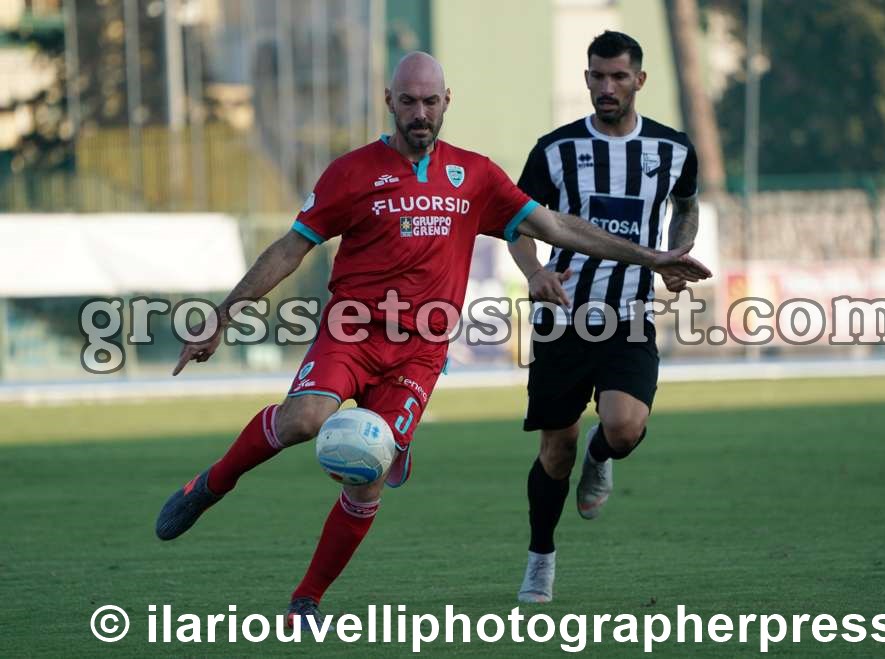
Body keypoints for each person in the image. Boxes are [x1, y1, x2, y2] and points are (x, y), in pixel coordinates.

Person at [154, 52, 712, 627]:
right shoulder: (351, 173)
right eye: (408, 102)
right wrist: (223, 315)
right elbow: (291, 248)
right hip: (353, 331)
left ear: (447, 102)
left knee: (366, 473)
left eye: (429, 102)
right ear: (389, 102)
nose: (419, 114)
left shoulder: (475, 175)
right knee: (303, 421)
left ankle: (307, 600)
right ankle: (212, 484)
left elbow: (557, 226)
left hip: (419, 353)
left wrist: (651, 257)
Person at [509, 31, 701, 603]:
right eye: (597, 76)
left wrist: (675, 254)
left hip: (630, 316)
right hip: (563, 316)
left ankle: (602, 453)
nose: (606, 87)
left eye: (618, 76)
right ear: (587, 78)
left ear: (639, 80)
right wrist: (534, 272)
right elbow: (515, 224)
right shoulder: (555, 150)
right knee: (555, 451)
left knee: (624, 427)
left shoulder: (673, 149)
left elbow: (686, 205)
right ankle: (541, 557)